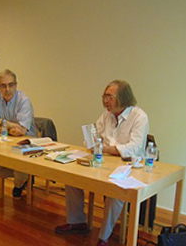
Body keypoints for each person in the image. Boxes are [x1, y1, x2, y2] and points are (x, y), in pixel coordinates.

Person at [55, 80, 149, 246]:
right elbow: (92, 137)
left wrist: (104, 148)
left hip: (129, 166)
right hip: (104, 162)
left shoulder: (139, 117)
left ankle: (103, 237)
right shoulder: (106, 115)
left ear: (123, 97)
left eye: (109, 97)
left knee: (116, 192)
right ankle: (77, 222)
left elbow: (133, 148)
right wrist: (94, 143)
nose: (105, 101)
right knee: (72, 177)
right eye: (104, 96)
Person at [0, 69, 38, 198]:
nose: (7, 89)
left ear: (16, 85)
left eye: (11, 85)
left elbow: (22, 131)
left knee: (20, 167)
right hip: (6, 140)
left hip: (27, 142)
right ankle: (25, 175)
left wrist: (4, 123)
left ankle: (20, 183)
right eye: (3, 86)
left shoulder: (24, 100)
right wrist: (10, 127)